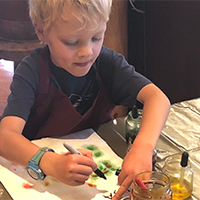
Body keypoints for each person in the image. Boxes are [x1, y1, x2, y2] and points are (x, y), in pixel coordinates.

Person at [0, 0, 170, 199]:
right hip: (41, 177)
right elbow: (5, 137)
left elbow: (158, 98)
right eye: (71, 42)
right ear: (41, 31)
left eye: (97, 37)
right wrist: (49, 162)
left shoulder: (106, 63)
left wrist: (143, 147)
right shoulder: (31, 71)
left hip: (97, 162)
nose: (87, 52)